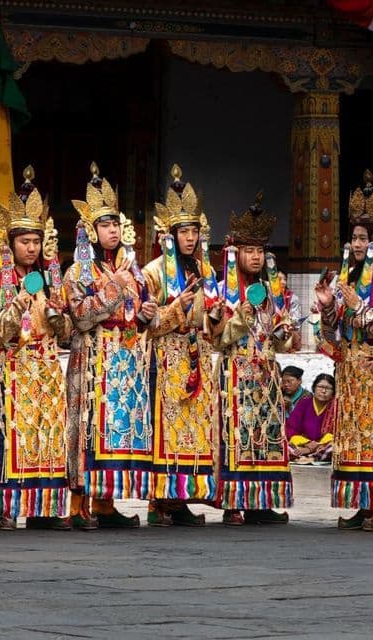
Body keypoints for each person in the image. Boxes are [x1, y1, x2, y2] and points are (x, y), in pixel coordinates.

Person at [0, 167, 73, 530]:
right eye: (24, 243)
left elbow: (65, 331)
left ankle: (44, 508)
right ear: (11, 243)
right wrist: (18, 302)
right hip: (13, 367)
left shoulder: (52, 281)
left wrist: (54, 310)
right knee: (11, 433)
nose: (31, 249)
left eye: (36, 242)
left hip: (46, 367)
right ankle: (9, 506)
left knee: (47, 434)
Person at [63, 163, 156, 529]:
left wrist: (146, 314)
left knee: (116, 430)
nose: (113, 230)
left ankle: (105, 502)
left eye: (116, 223)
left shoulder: (134, 270)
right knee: (89, 427)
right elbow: (82, 317)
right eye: (104, 225)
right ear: (90, 230)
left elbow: (139, 310)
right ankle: (79, 503)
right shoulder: (78, 271)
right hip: (94, 357)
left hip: (126, 357)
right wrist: (114, 287)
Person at [315, 170, 373, 533]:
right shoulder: (343, 277)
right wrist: (327, 307)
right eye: (353, 237)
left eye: (364, 237)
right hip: (350, 368)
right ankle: (357, 503)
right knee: (350, 436)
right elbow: (331, 332)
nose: (357, 243)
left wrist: (356, 308)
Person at [212, 193, 297, 526]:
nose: (256, 257)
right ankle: (234, 502)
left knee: (269, 435)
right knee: (238, 436)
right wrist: (239, 316)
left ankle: (263, 502)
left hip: (267, 376)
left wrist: (283, 329)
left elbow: (285, 343)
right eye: (249, 251)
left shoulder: (273, 291)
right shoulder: (223, 290)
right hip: (236, 375)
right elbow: (217, 339)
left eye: (261, 251)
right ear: (236, 254)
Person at [139, 165, 215, 527]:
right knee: (166, 427)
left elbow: (214, 316)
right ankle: (159, 501)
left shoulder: (207, 271)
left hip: (197, 355)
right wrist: (175, 308)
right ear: (169, 235)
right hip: (167, 358)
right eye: (183, 231)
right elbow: (147, 325)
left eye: (194, 231)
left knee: (194, 429)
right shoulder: (153, 271)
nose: (190, 238)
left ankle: (182, 497)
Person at [287, 373, 336, 465]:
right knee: (286, 446)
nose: (323, 391)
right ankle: (308, 457)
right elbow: (291, 428)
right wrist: (306, 444)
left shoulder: (336, 406)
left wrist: (317, 446)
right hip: (304, 444)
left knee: (334, 447)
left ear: (333, 392)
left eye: (328, 388)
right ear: (314, 388)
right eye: (320, 387)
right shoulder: (304, 403)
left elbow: (337, 432)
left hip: (323, 446)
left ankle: (311, 457)